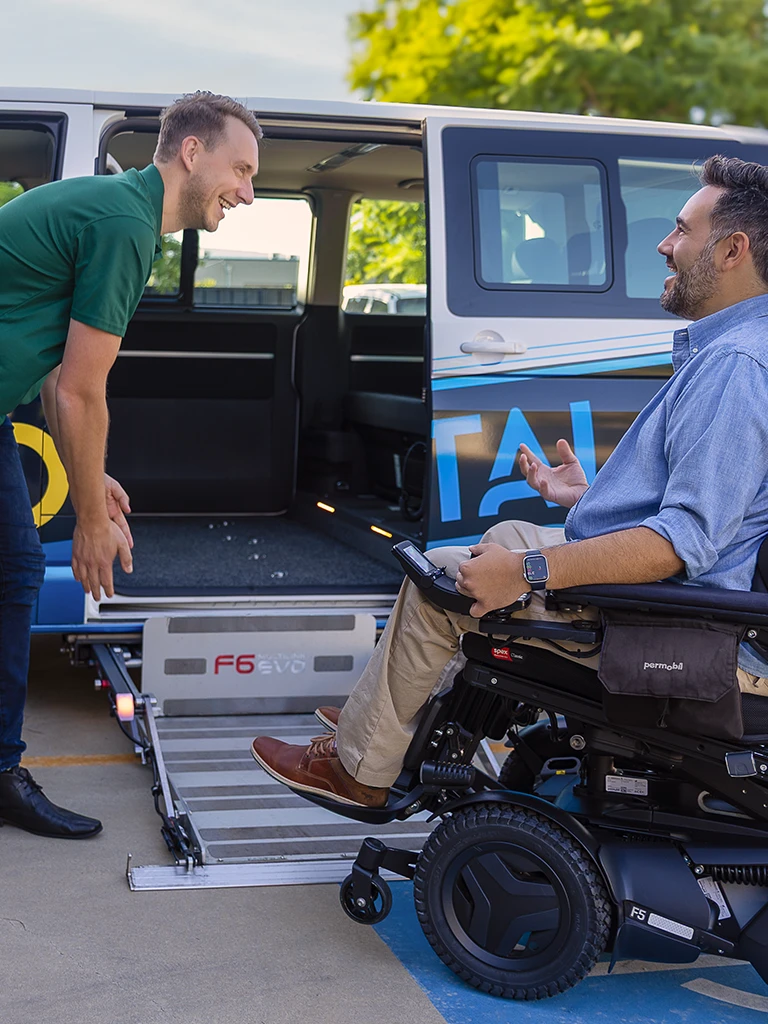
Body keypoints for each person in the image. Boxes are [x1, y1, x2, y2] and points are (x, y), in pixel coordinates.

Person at [253, 153, 768, 808]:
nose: (665, 246)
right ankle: (386, 717)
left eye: (681, 231)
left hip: (677, 622)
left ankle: (361, 771)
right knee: (502, 533)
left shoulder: (738, 365)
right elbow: (720, 506)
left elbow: (682, 544)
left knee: (442, 577)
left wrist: (526, 572)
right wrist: (588, 497)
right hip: (669, 591)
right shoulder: (735, 347)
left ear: (732, 249)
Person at [0, 91, 261, 837]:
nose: (247, 191)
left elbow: (56, 377)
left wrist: (93, 474)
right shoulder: (124, 222)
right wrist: (88, 520)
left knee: (15, 569)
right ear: (190, 153)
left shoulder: (128, 217)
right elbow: (82, 390)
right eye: (239, 170)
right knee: (17, 567)